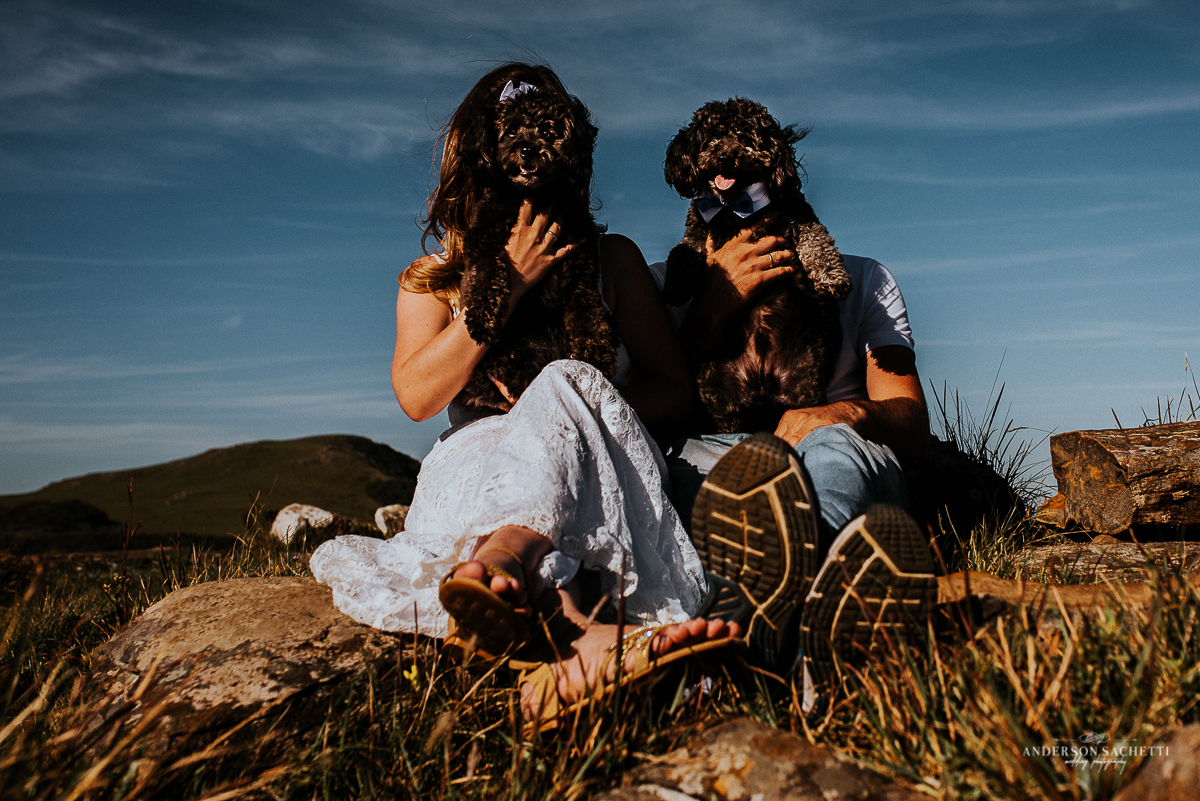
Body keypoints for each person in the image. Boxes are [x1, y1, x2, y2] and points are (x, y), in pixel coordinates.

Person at [308, 63, 739, 723]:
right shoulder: (433, 280)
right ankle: (577, 641)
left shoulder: (611, 259)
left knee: (564, 382)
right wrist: (501, 288)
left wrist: (567, 411)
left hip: (593, 454)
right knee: (533, 415)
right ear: (478, 160)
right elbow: (418, 395)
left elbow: (673, 392)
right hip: (477, 462)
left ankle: (525, 601)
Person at [655, 207, 939, 686]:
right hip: (715, 454)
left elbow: (911, 423)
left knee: (836, 448)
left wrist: (846, 412)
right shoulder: (666, 287)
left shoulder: (860, 279)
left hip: (831, 451)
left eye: (760, 190)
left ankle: (795, 589)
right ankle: (810, 636)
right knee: (678, 461)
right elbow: (647, 403)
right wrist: (709, 307)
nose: (742, 209)